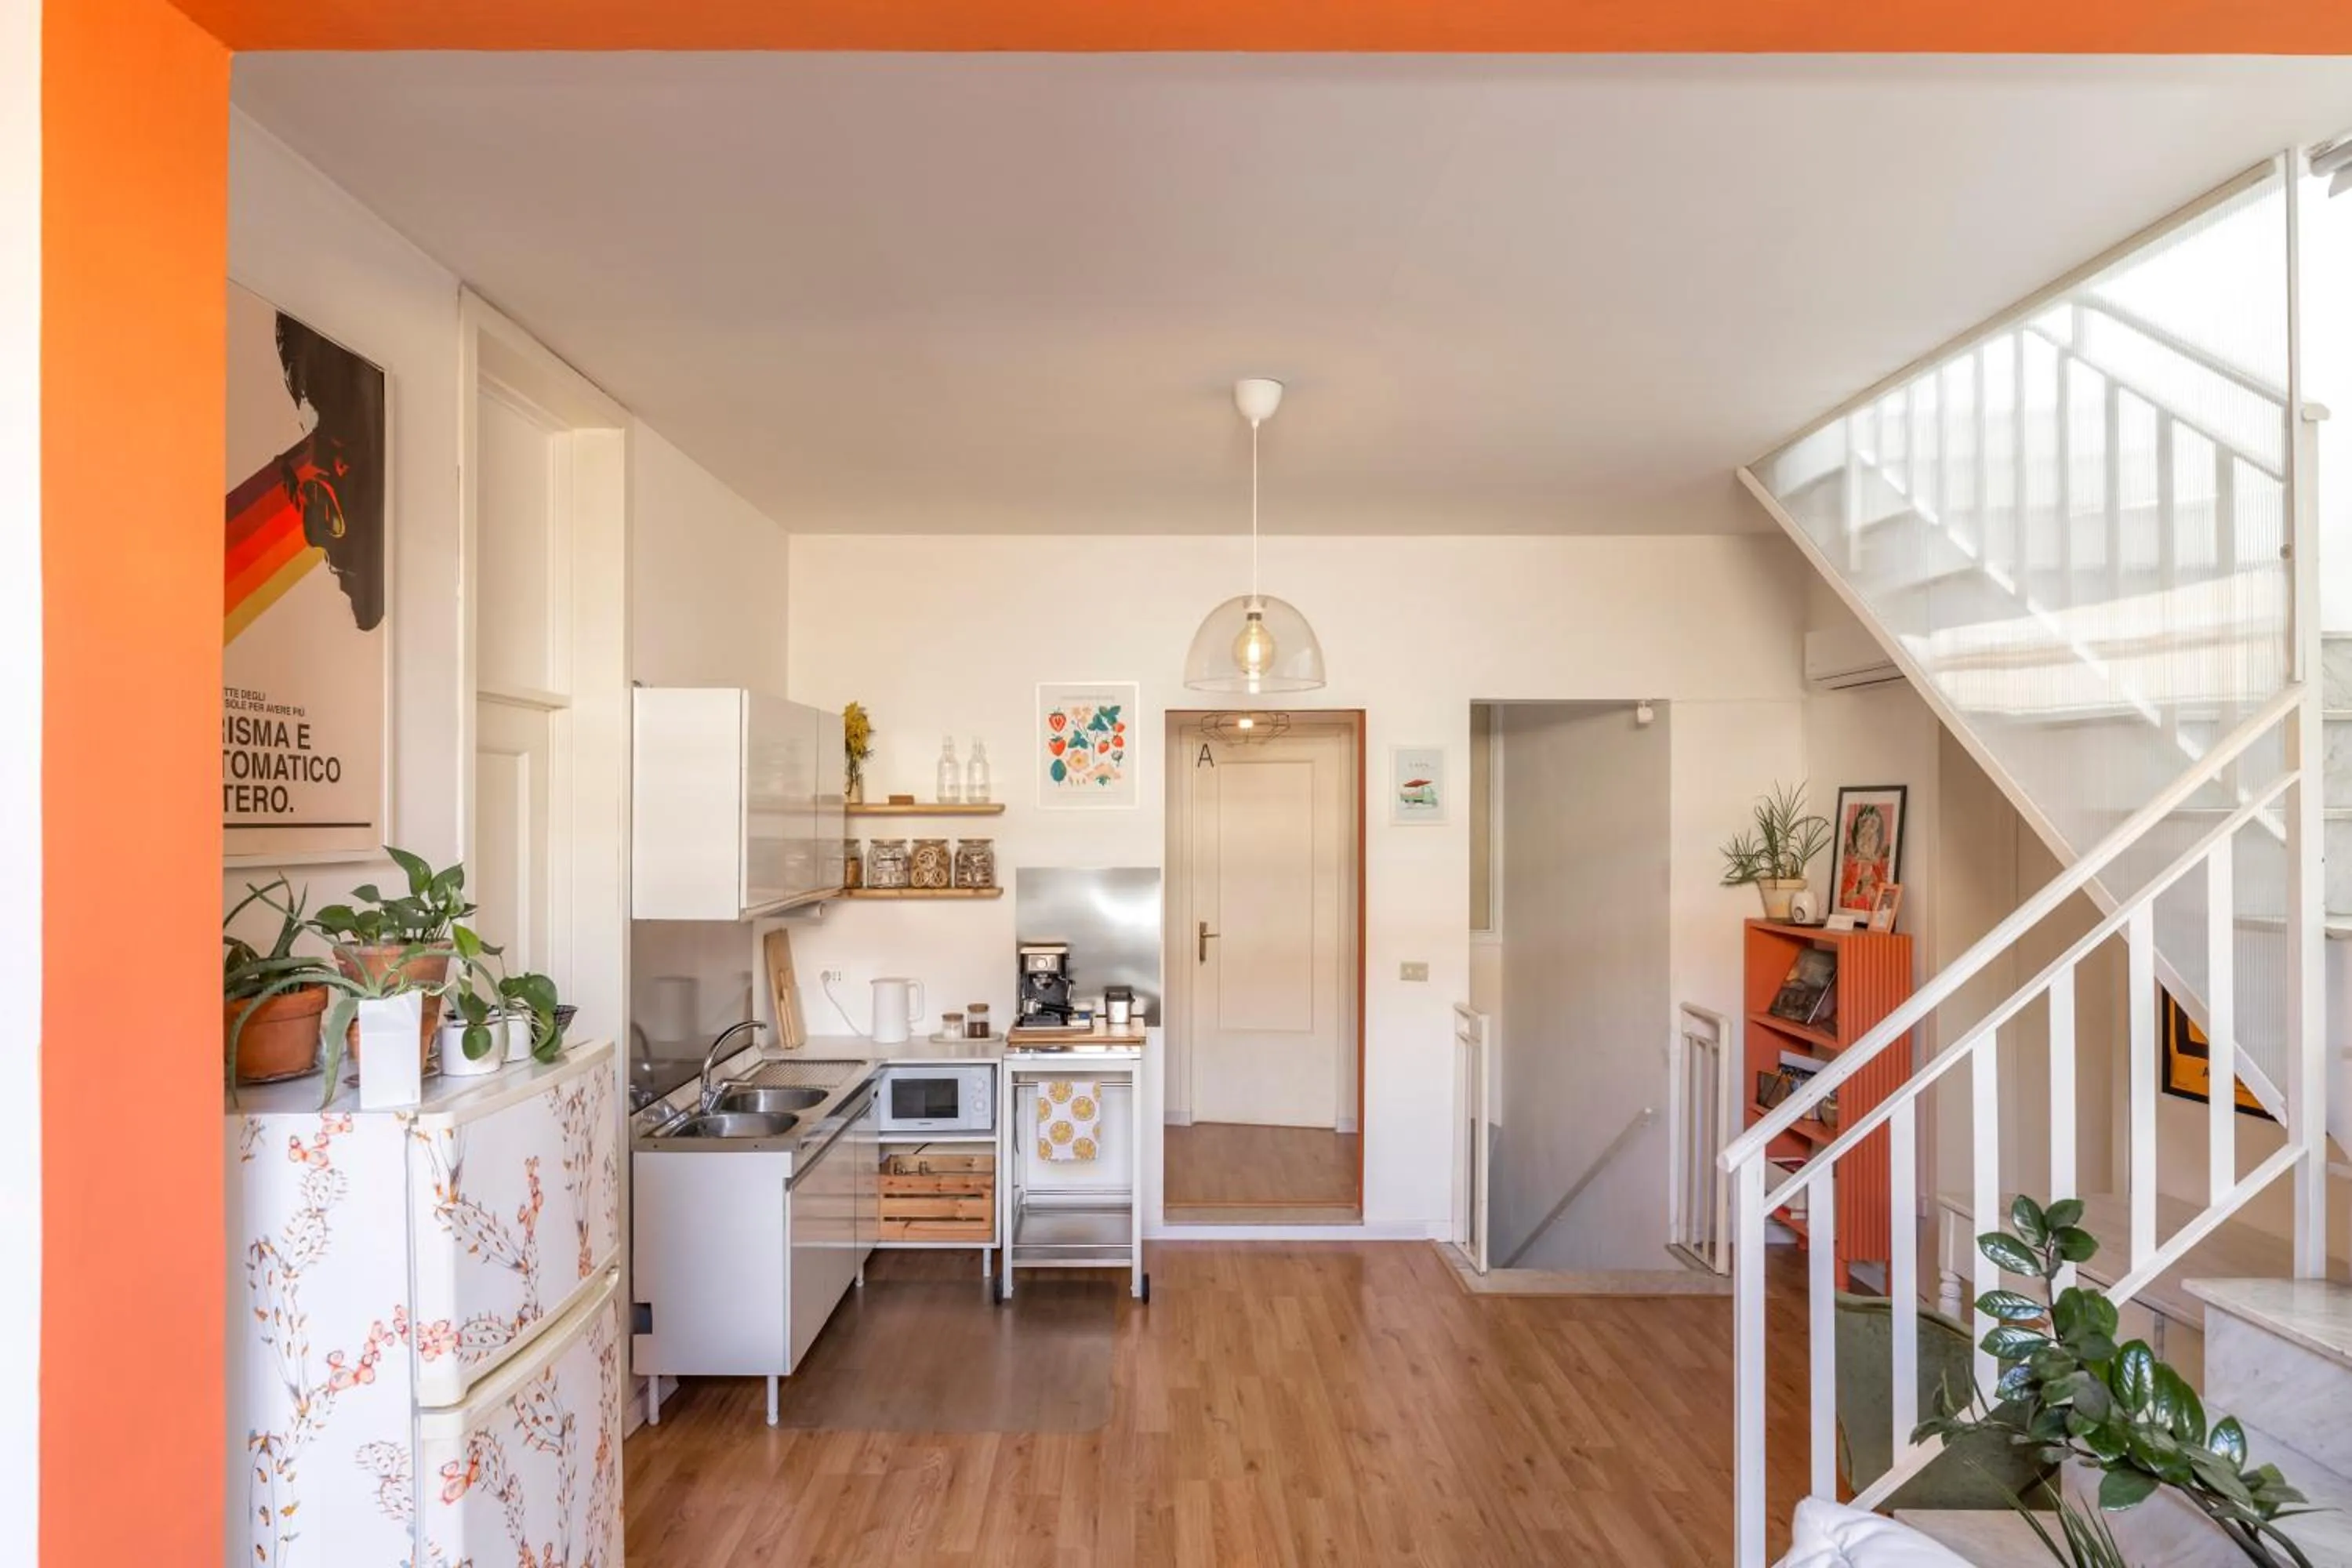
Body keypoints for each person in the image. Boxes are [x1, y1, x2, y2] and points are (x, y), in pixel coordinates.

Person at [1838, 804, 1891, 913]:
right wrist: (1859, 890)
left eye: (1870, 838)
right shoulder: (1853, 867)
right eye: (1863, 837)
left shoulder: (1877, 870)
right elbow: (1843, 898)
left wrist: (1871, 892)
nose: (1866, 843)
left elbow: (1884, 900)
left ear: (1876, 841)